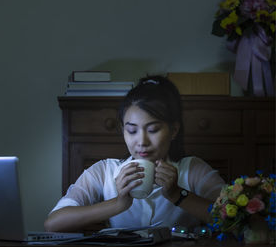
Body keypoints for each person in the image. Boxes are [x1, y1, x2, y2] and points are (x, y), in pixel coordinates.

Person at [44, 75, 225, 232]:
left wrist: (178, 195)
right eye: (132, 131)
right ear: (123, 130)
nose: (142, 141)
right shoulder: (104, 172)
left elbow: (234, 221)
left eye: (153, 129)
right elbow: (53, 223)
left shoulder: (192, 170)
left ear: (174, 130)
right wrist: (118, 204)